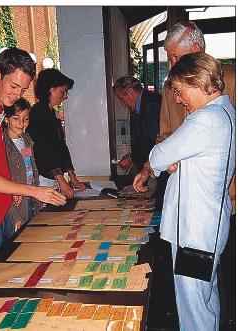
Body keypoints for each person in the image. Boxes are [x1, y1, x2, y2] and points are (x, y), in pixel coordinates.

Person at [133, 52, 235, 331]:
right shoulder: (225, 113)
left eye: (179, 91)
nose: (178, 99)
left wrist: (166, 160)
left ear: (197, 82)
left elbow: (159, 154)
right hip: (206, 227)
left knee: (193, 307)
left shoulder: (205, 119)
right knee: (205, 300)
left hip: (195, 233)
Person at [158, 20, 236, 327]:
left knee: (199, 292)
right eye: (170, 58)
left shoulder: (229, 83)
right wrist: (172, 156)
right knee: (205, 289)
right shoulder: (175, 87)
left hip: (210, 204)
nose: (172, 65)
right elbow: (166, 137)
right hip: (197, 205)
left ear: (198, 51)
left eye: (176, 57)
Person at [0, 47, 66, 268]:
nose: (17, 94)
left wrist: (14, 189)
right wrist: (33, 191)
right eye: (13, 85)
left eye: (22, 89)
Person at [27, 68, 85, 198]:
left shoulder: (51, 113)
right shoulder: (38, 113)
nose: (65, 96)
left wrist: (71, 175)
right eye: (63, 92)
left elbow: (61, 146)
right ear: (51, 89)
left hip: (53, 177)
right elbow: (44, 150)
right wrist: (61, 180)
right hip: (44, 178)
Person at [2, 97, 42, 238]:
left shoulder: (27, 138)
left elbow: (33, 170)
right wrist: (13, 215)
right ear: (6, 119)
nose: (21, 123)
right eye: (15, 118)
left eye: (25, 119)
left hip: (31, 199)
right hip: (15, 206)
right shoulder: (3, 144)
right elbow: (3, 183)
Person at [112, 76, 161, 184]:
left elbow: (151, 139)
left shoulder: (152, 104)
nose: (122, 104)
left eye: (121, 98)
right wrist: (132, 157)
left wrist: (132, 157)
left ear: (130, 92)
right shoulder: (141, 105)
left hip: (157, 168)